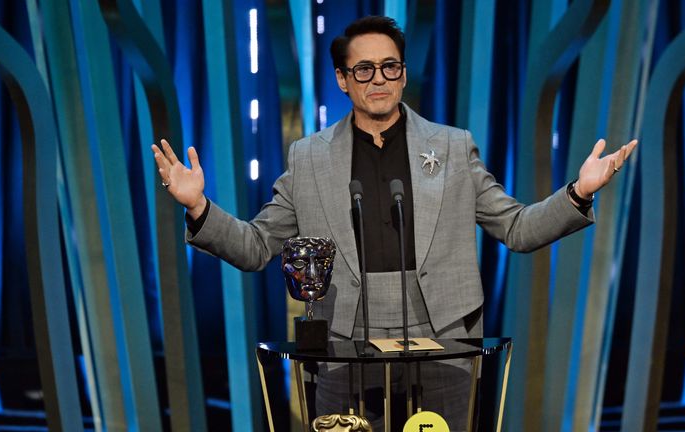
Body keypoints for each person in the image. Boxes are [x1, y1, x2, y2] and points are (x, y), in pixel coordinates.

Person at [152, 15, 637, 431]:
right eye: (364, 69)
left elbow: (517, 228)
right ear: (343, 79)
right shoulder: (309, 158)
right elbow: (257, 245)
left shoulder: (451, 146)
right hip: (345, 336)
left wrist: (579, 191)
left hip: (443, 332)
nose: (378, 78)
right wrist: (199, 207)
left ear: (403, 76)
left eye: (390, 67)